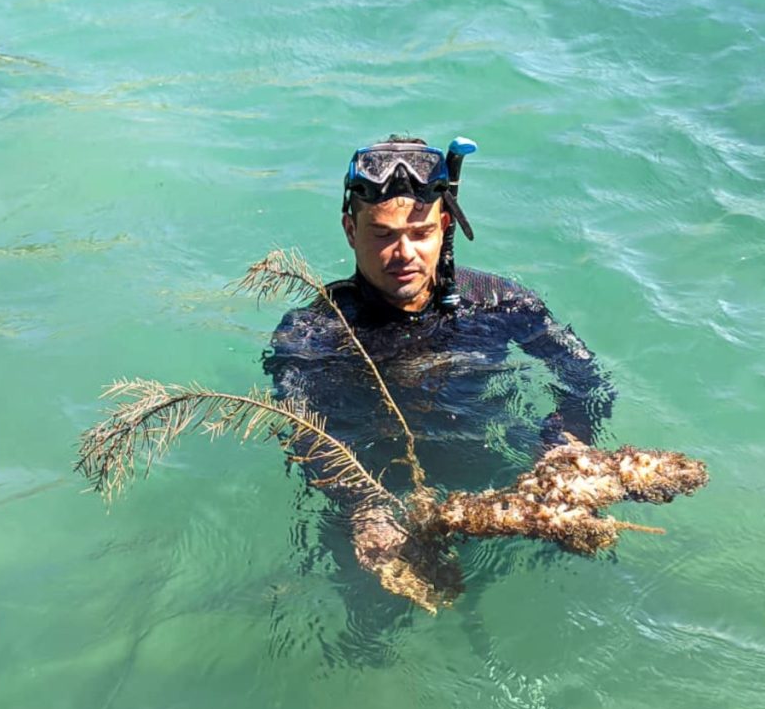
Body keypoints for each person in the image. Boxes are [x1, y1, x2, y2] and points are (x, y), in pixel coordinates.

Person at [261, 135, 615, 647]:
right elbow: (301, 427)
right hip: (377, 493)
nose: (403, 253)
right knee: (369, 638)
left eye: (420, 233)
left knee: (572, 606)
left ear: (444, 226)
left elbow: (586, 377)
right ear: (349, 230)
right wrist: (363, 504)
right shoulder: (315, 331)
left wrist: (564, 445)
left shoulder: (497, 302)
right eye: (382, 235)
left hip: (497, 471)